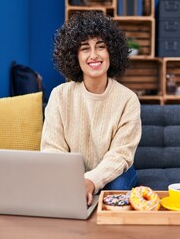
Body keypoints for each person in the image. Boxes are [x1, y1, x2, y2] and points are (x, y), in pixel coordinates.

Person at [41, 11, 142, 206]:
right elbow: (52, 149)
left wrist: (90, 181)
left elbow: (120, 155)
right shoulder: (59, 95)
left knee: (116, 187)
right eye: (85, 48)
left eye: (101, 47)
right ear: (75, 56)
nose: (94, 55)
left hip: (113, 172)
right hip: (70, 173)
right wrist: (74, 181)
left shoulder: (128, 100)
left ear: (111, 52)